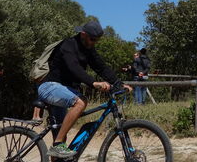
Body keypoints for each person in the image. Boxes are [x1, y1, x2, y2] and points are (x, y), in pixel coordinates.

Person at [37, 20, 131, 159]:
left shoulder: (88, 49)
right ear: (83, 34)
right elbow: (74, 68)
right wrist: (94, 83)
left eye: (97, 40)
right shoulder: (68, 45)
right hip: (49, 87)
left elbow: (101, 67)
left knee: (61, 137)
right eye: (92, 39)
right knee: (81, 102)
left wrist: (118, 83)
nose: (94, 43)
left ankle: (57, 147)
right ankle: (57, 146)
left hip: (63, 91)